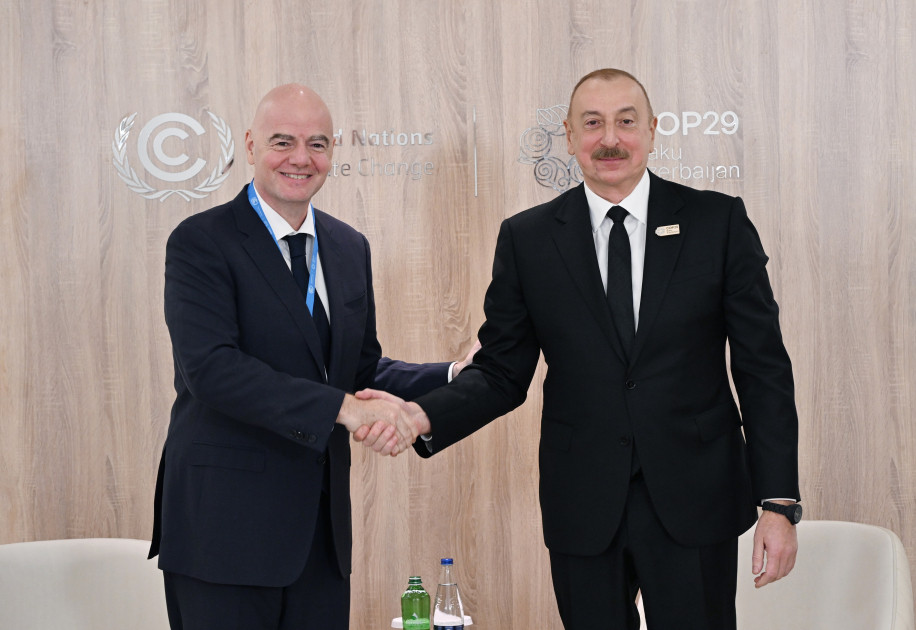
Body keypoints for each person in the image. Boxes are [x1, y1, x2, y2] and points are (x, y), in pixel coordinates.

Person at [361, 69, 800, 629]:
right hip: (584, 502)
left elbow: (763, 369)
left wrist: (778, 502)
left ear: (652, 131)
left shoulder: (718, 222)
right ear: (569, 136)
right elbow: (500, 372)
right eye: (592, 123)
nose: (609, 139)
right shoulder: (528, 238)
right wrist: (420, 415)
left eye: (626, 121)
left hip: (695, 498)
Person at [148, 83, 475, 630]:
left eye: (317, 144)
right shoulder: (201, 241)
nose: (300, 158)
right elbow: (212, 370)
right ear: (250, 144)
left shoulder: (348, 247)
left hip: (320, 539)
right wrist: (346, 410)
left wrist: (452, 374)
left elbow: (358, 370)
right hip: (222, 534)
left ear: (332, 151)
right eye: (283, 141)